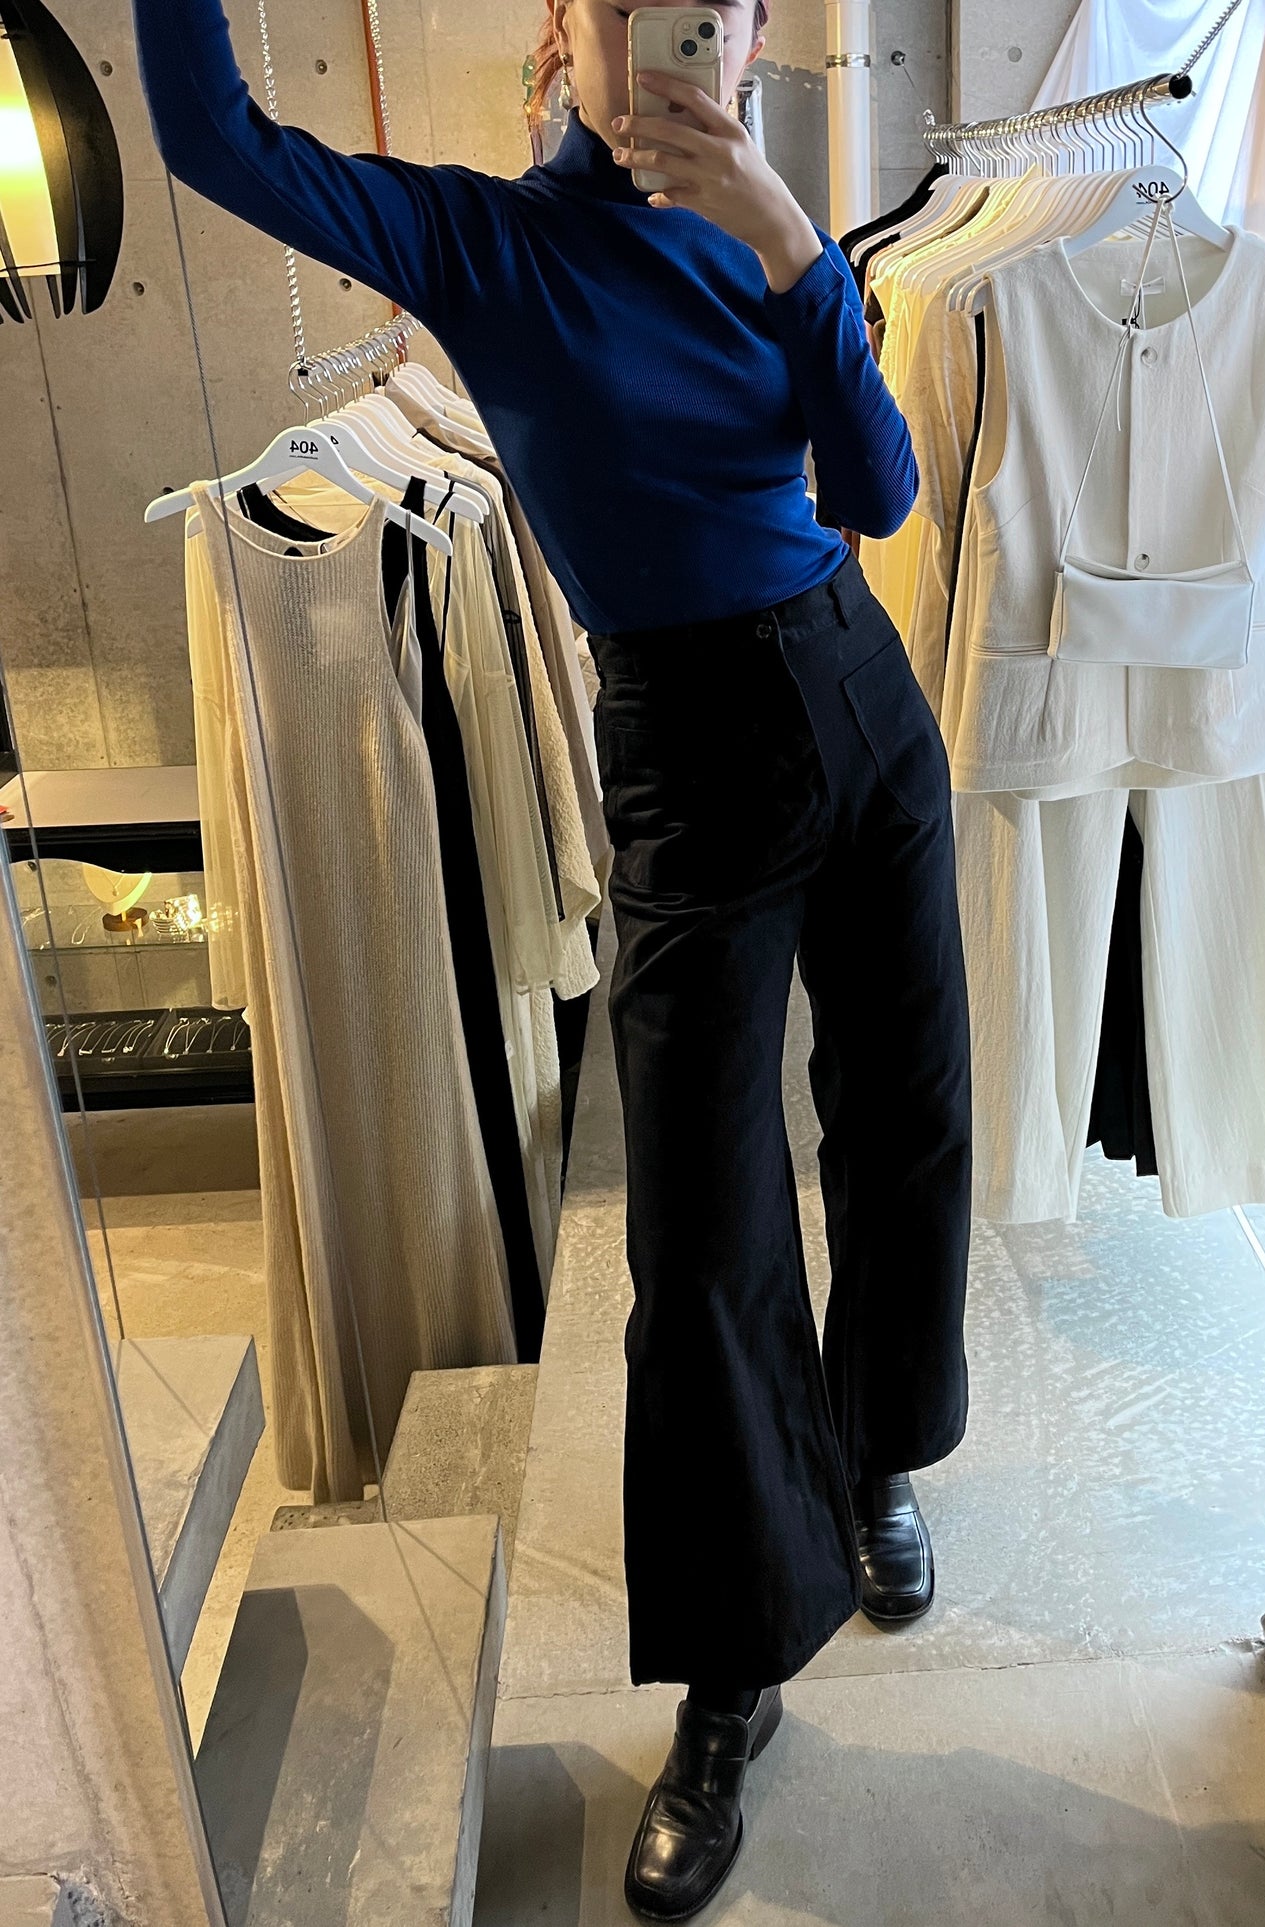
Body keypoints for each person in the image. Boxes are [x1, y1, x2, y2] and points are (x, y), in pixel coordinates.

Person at [131, 0, 972, 1915]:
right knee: (699, 1231)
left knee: (909, 1113)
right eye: (632, 9)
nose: (678, 44)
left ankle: (878, 1456)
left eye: (712, 12)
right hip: (685, 754)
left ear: (745, 42)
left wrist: (788, 242)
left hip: (861, 701)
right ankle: (730, 1683)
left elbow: (875, 495)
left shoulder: (776, 230)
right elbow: (212, 140)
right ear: (566, 37)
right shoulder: (483, 243)